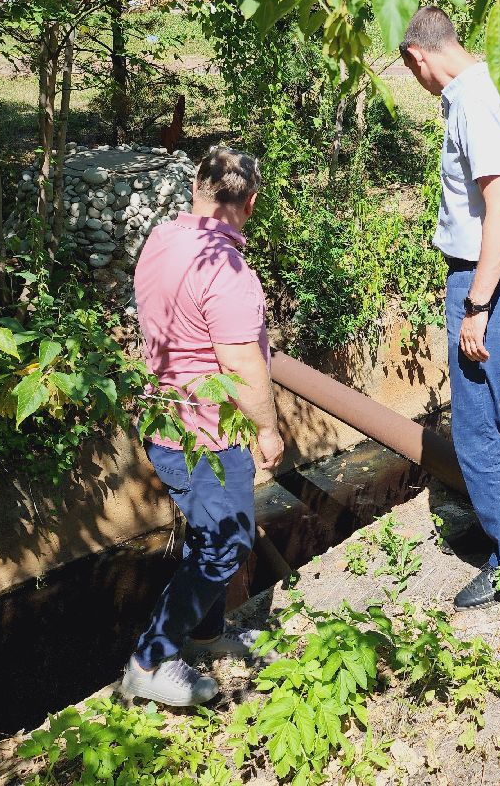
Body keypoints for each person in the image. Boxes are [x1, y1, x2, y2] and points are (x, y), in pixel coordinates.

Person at [120, 146, 286, 707]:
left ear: (197, 188)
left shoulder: (163, 239)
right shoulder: (230, 271)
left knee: (206, 532)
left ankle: (209, 635)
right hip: (208, 433)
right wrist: (268, 430)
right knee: (224, 542)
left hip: (163, 421)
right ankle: (151, 660)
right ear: (252, 203)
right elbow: (240, 365)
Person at [400, 5, 500, 609]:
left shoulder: (475, 108)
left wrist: (477, 305)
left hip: (490, 278)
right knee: (495, 407)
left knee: (477, 429)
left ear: (418, 57)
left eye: (410, 70)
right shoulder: (493, 86)